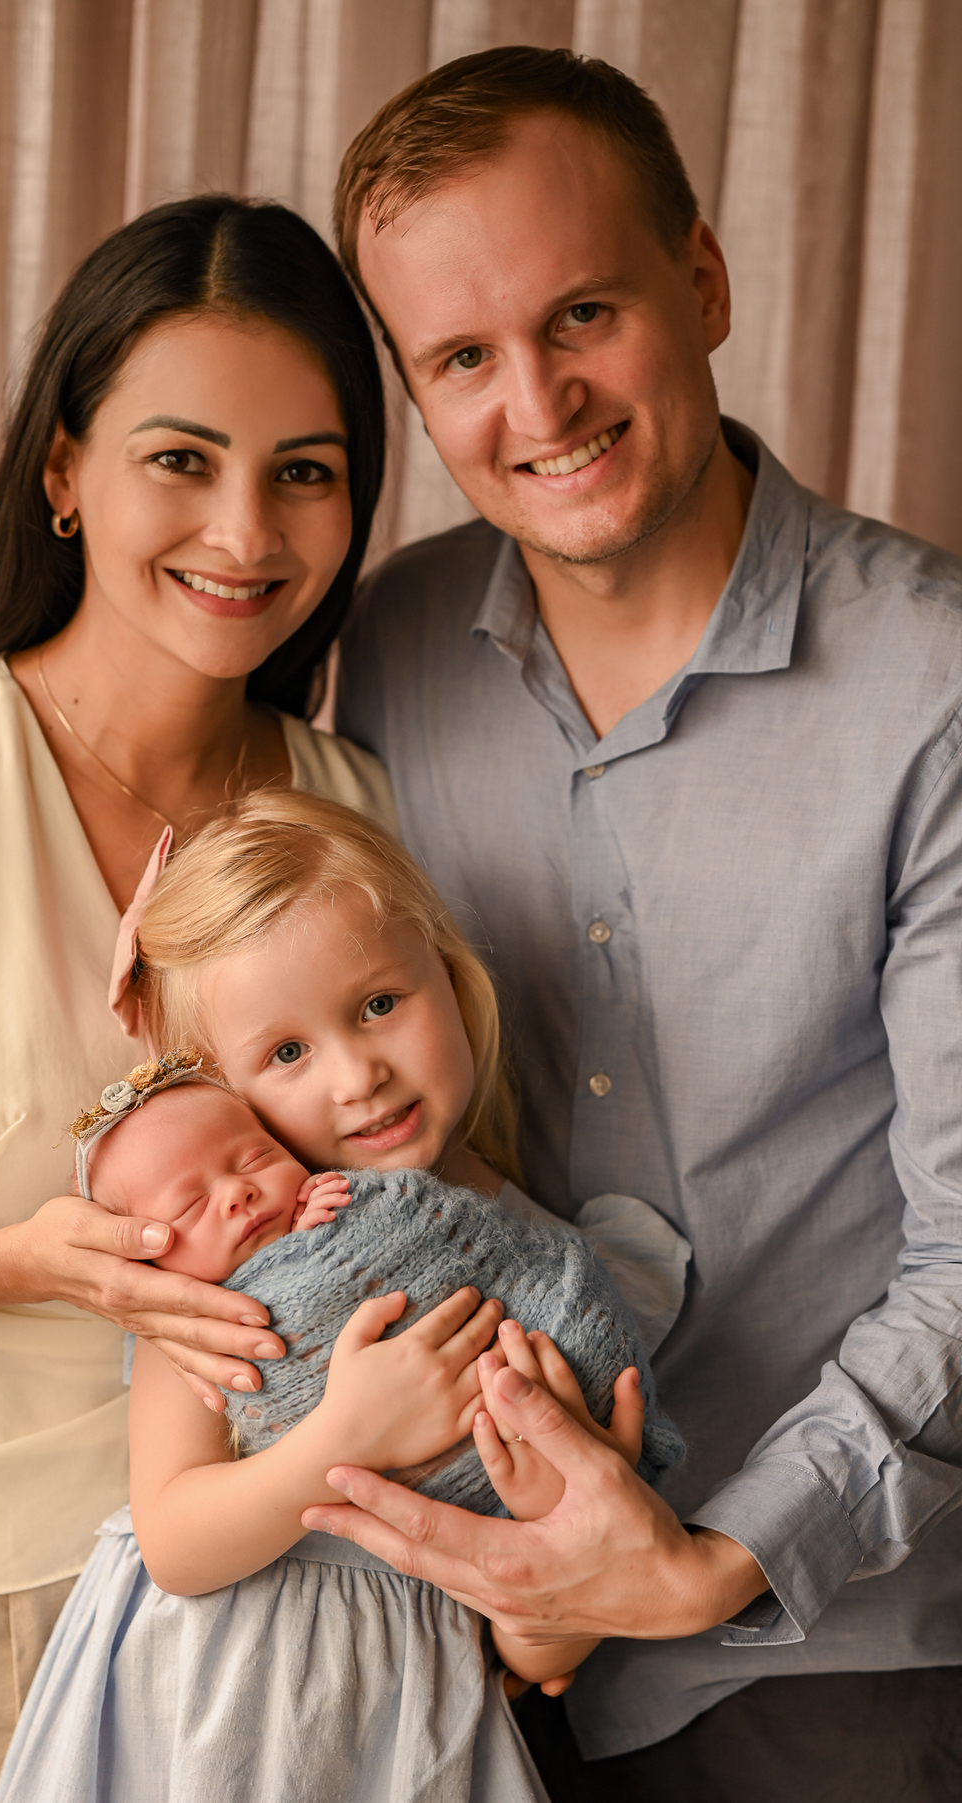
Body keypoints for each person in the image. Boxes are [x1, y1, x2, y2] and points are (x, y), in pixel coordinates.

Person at [309, 44, 962, 1803]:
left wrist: (710, 1557)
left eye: (581, 312)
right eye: (462, 358)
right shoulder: (388, 648)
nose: (538, 401)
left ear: (706, 281)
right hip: (455, 1643)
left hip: (829, 1652)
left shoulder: (937, 683)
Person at [0, 194, 399, 1800]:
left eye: (304, 471)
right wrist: (29, 1261)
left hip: (267, 1638)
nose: (245, 531)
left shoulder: (354, 806)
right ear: (63, 471)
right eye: (182, 458)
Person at [0, 795, 688, 1803]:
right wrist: (342, 1436)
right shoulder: (223, 1274)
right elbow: (177, 1543)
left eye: (378, 1004)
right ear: (222, 1092)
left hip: (411, 1718)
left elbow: (536, 1655)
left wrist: (561, 1517)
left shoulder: (540, 1271)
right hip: (214, 1699)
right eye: (286, 1054)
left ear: (449, 974)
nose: (359, 1074)